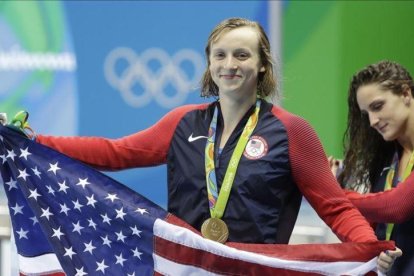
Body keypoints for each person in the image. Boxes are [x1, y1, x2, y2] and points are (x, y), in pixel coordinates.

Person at [5, 18, 399, 272]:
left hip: (254, 269)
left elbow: (334, 205)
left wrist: (368, 247)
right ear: (209, 63)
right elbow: (114, 152)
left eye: (242, 55)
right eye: (220, 55)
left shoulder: (292, 130)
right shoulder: (182, 123)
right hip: (187, 268)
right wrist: (38, 140)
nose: (230, 64)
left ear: (262, 65)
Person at [329, 60, 414, 275]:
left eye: (377, 106)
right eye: (366, 114)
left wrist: (331, 193)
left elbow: (396, 206)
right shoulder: (387, 157)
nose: (372, 121)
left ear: (405, 94)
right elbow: (365, 230)